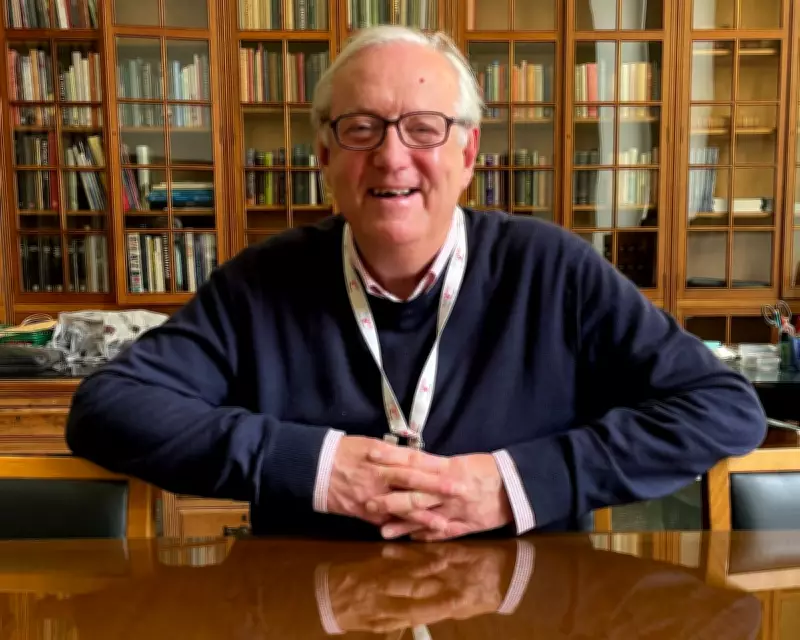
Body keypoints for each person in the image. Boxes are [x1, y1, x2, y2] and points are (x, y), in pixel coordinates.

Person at [66, 25, 766, 541]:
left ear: (468, 153)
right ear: (324, 155)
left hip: (526, 610)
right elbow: (108, 408)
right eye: (361, 128)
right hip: (307, 606)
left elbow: (722, 407)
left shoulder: (553, 269)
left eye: (424, 129)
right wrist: (316, 466)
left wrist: (513, 484)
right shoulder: (260, 282)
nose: (392, 157)